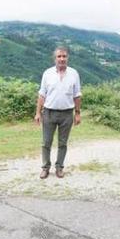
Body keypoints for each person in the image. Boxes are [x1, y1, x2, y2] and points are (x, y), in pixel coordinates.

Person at [33, 46, 82, 179]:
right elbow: (42, 94)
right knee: (46, 142)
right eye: (59, 56)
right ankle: (45, 168)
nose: (62, 59)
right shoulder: (47, 73)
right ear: (55, 58)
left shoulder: (74, 74)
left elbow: (77, 95)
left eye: (64, 56)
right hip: (49, 113)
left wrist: (77, 113)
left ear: (67, 58)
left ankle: (59, 167)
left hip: (67, 114)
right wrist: (38, 113)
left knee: (63, 143)